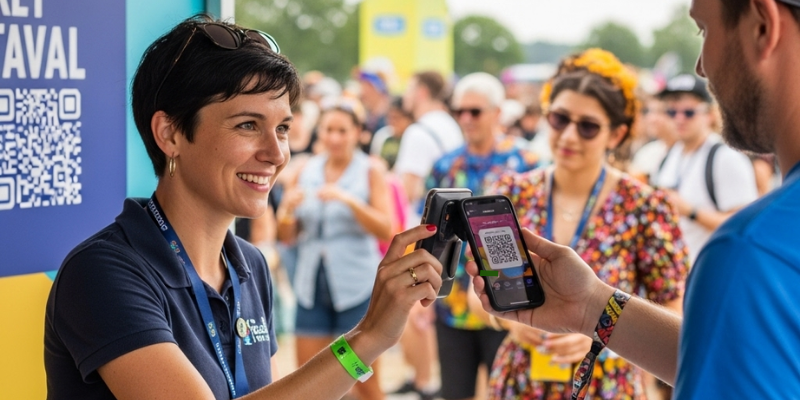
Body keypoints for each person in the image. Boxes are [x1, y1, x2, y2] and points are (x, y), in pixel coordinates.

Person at [43, 15, 444, 400]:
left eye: (283, 128)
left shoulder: (248, 267)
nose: (276, 153)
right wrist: (368, 337)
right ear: (170, 134)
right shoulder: (103, 271)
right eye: (247, 125)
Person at [467, 0, 800, 398]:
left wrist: (591, 319)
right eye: (559, 119)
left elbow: (716, 357)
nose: (700, 66)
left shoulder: (747, 250)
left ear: (763, 25)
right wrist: (586, 309)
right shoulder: (514, 191)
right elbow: (722, 357)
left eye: (703, 31)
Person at [486, 49, 688, 400]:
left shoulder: (643, 206)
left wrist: (602, 333)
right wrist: (508, 322)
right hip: (521, 379)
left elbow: (673, 308)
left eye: (588, 126)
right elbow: (482, 291)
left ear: (616, 134)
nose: (569, 136)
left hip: (607, 384)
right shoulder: (511, 194)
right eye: (560, 119)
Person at [427, 72, 540, 400]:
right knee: (455, 393)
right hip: (453, 303)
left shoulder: (527, 164)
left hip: (507, 302)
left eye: (474, 111)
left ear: (497, 113)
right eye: (459, 111)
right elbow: (430, 233)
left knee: (507, 392)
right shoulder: (445, 166)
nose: (465, 118)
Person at [275, 100, 393, 400]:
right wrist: (287, 210)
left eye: (342, 130)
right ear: (320, 133)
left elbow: (386, 229)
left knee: (363, 380)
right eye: (329, 130)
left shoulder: (370, 170)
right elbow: (286, 235)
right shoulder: (305, 169)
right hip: (311, 285)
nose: (335, 138)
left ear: (357, 133)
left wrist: (349, 201)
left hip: (356, 288)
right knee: (308, 379)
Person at [652, 74, 758, 263]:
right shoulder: (669, 155)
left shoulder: (726, 158)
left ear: (710, 114)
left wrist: (691, 212)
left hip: (709, 273)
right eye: (672, 112)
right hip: (672, 277)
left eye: (689, 112)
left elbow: (745, 228)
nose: (679, 119)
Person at [394, 70, 464, 215]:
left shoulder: (418, 132)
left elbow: (408, 192)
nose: (405, 95)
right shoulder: (451, 124)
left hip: (421, 222)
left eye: (408, 89)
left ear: (422, 92)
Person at [628, 96, 678, 185]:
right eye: (649, 111)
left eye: (660, 112)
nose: (652, 119)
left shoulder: (688, 153)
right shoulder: (648, 152)